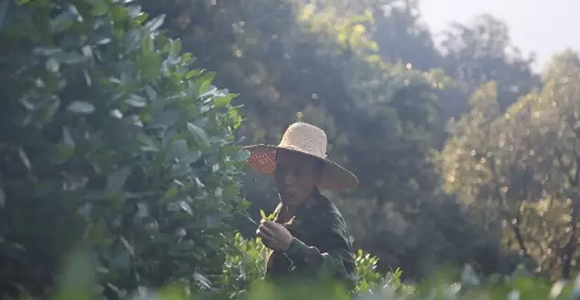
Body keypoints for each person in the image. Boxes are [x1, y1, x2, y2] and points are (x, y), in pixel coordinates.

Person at [243, 122, 359, 291]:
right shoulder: (283, 209)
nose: (287, 181)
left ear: (316, 178)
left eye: (298, 173)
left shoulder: (326, 217)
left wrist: (292, 246)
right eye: (282, 170)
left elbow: (347, 277)